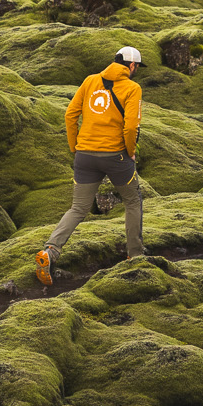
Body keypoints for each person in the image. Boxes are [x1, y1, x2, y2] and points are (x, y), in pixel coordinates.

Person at [35, 47, 144, 283]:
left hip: (84, 156)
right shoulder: (132, 88)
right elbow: (130, 127)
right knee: (132, 201)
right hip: (116, 157)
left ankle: (50, 251)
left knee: (78, 209)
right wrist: (131, 152)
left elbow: (70, 115)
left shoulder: (90, 80)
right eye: (137, 67)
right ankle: (135, 256)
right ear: (132, 66)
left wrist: (75, 147)